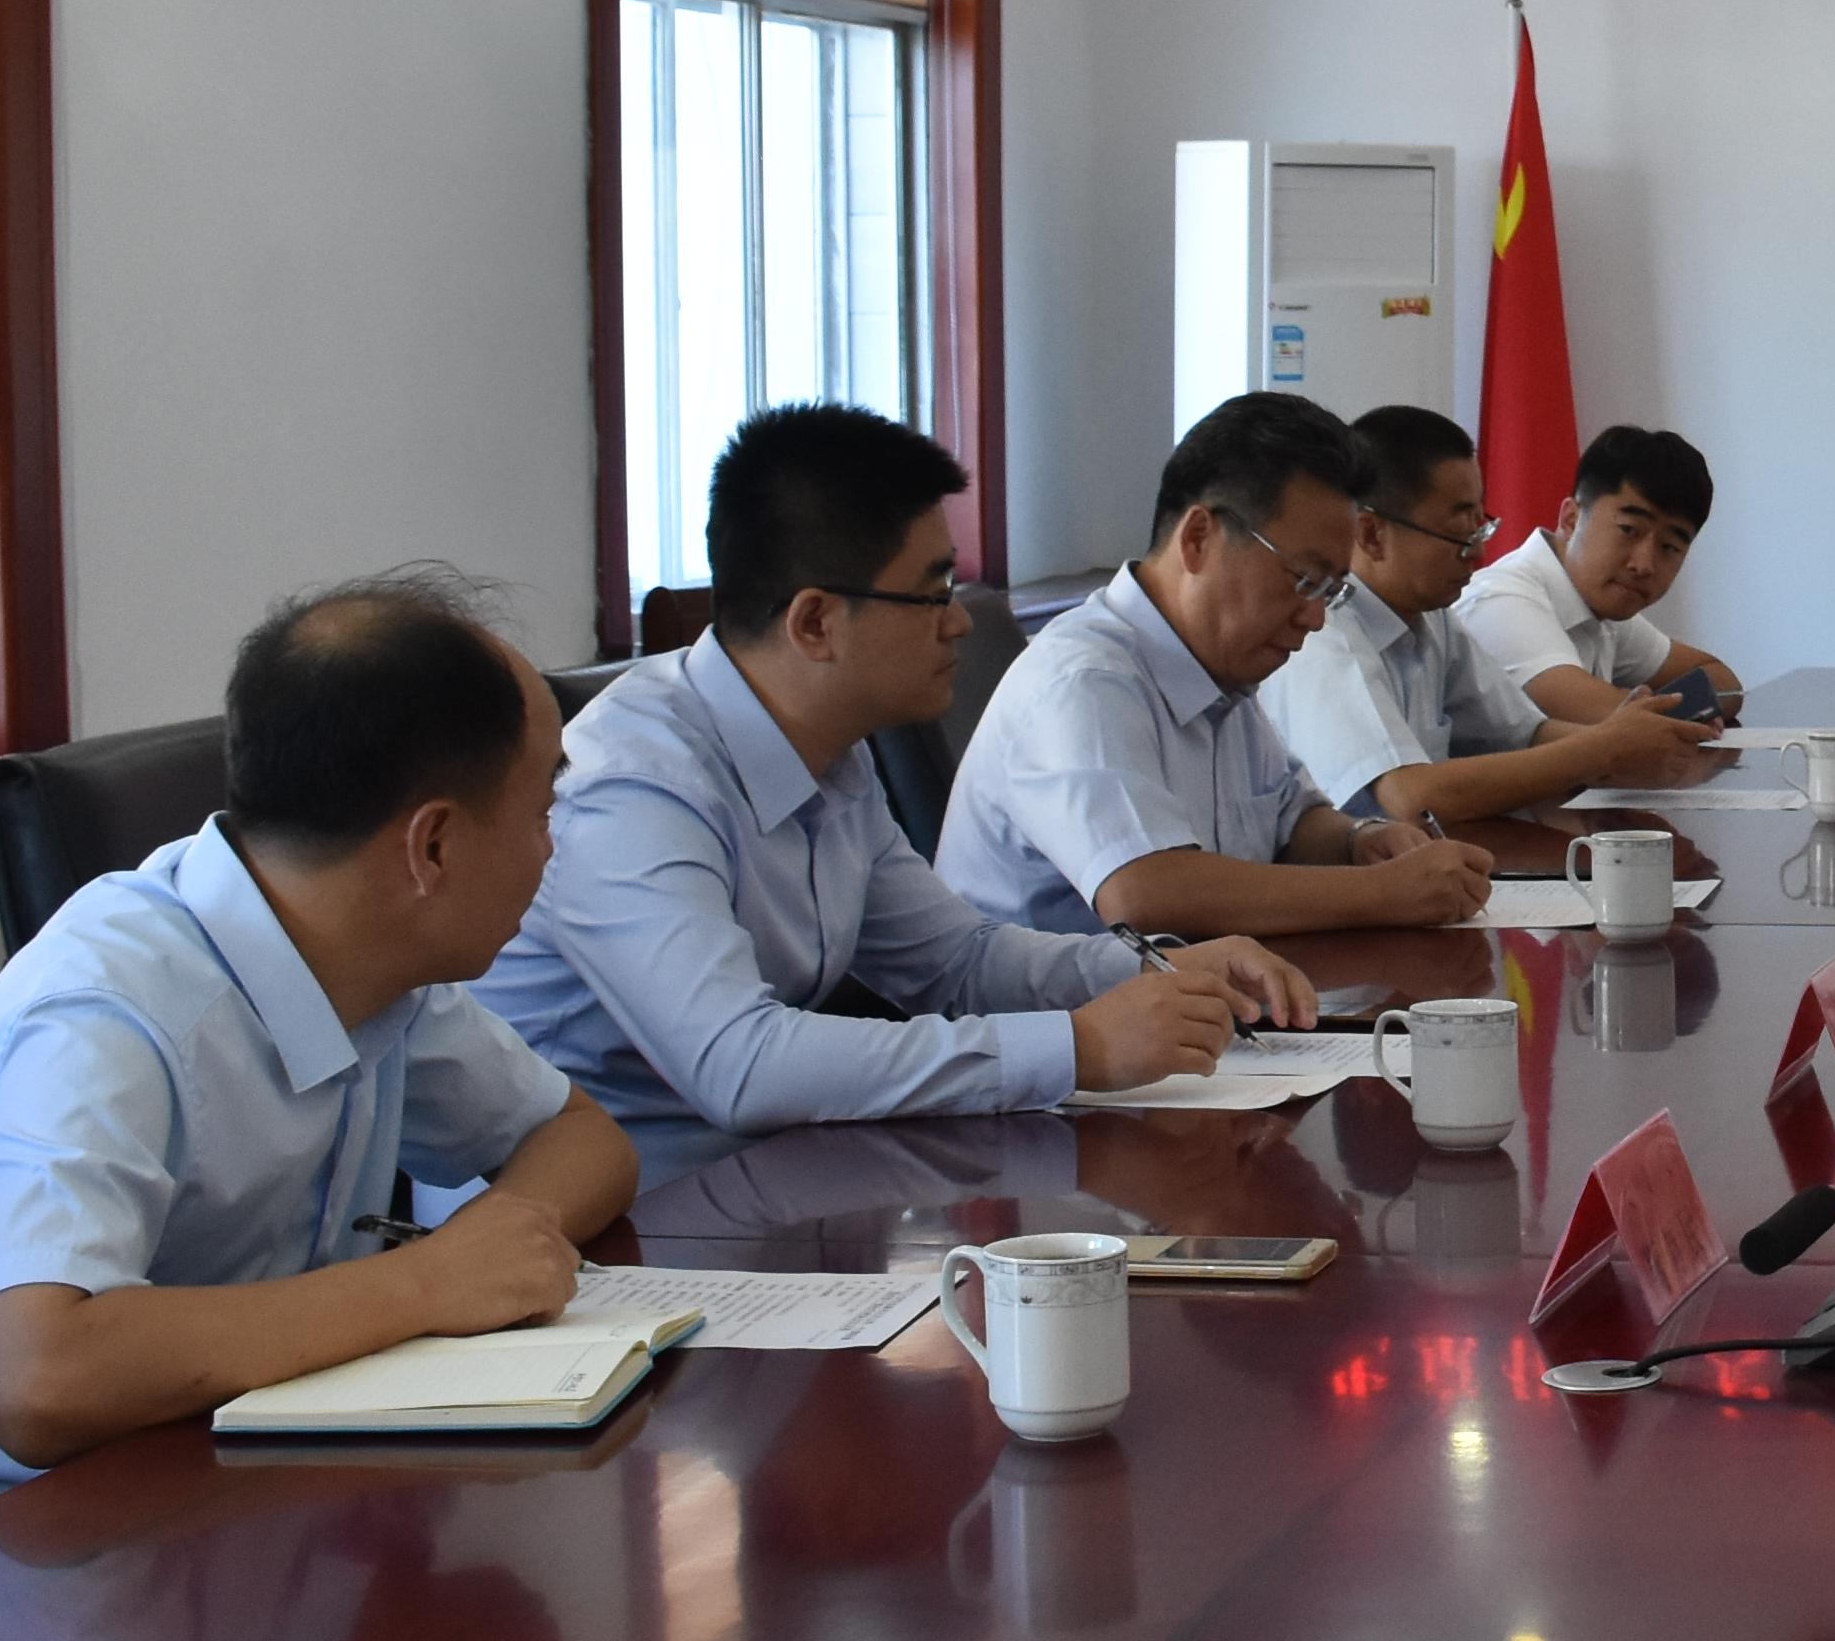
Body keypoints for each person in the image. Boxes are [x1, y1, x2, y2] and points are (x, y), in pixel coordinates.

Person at [0, 575, 638, 1568]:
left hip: (212, 1517)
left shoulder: (370, 958)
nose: (552, 847)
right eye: (543, 809)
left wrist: (494, 1245)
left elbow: (581, 1140)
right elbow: (41, 1376)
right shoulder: (105, 1013)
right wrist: (425, 1283)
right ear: (432, 844)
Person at [481, 406, 1300, 1181]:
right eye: (932, 594)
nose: (960, 622)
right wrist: (1078, 1047)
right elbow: (741, 1065)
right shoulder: (634, 783)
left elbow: (956, 962)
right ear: (814, 623)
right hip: (615, 1220)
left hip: (773, 1182)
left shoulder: (833, 756)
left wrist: (1153, 966)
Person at [936, 391, 1498, 940]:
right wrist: (1384, 892)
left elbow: (1292, 821)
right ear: (1199, 537)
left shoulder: (1220, 671)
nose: (1314, 618)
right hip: (1061, 1001)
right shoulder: (1085, 682)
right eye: (1304, 579)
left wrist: (1361, 842)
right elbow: (1146, 895)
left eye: (1330, 590)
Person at [1261, 403, 1717, 826]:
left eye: (1481, 527)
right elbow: (1408, 797)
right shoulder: (1323, 633)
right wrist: (1604, 749)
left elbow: (1527, 734)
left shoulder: (1432, 617)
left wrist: (1630, 745)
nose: (1479, 554)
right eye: (1459, 534)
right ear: (1372, 534)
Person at [1456, 423, 1747, 727]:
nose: (1644, 565)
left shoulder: (1600, 603)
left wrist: (1667, 714)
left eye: (1669, 547)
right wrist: (1689, 712)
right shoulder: (1500, 600)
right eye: (1628, 530)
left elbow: (1726, 685)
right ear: (1570, 519)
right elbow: (1614, 722)